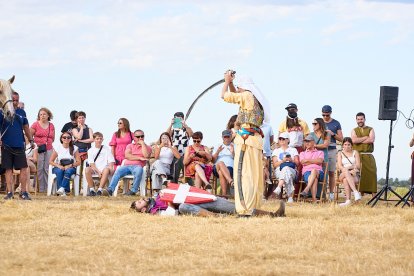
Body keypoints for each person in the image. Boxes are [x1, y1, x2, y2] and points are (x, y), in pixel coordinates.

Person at [221, 70, 271, 216]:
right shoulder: (253, 98)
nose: (237, 89)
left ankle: (245, 208)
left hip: (246, 142)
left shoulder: (247, 95)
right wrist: (230, 83)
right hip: (254, 140)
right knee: (252, 174)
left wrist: (226, 81)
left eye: (238, 86)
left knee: (244, 174)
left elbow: (224, 96)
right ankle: (252, 206)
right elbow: (235, 96)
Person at [130, 189, 286, 218]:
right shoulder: (154, 211)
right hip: (190, 207)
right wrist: (170, 201)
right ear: (143, 210)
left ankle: (273, 215)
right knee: (183, 207)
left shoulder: (159, 195)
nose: (141, 199)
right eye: (138, 203)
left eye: (138, 199)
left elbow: (184, 190)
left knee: (235, 207)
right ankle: (216, 217)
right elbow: (172, 214)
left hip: (199, 201)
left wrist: (167, 192)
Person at [1, 87, 34, 200]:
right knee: (8, 169)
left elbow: (26, 127)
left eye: (16, 100)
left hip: (19, 144)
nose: (15, 102)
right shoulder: (2, 112)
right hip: (6, 145)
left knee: (23, 168)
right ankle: (10, 193)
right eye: (13, 100)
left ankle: (23, 192)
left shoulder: (22, 112)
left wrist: (31, 140)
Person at [105, 130, 152, 196]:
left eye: (142, 136)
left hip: (138, 166)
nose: (140, 138)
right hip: (127, 165)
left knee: (139, 170)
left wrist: (143, 144)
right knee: (118, 171)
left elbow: (146, 155)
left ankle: (133, 191)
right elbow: (127, 156)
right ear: (134, 137)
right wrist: (139, 158)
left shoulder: (148, 147)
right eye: (138, 137)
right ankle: (110, 190)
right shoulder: (130, 146)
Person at [351, 112, 377, 196]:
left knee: (372, 174)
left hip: (368, 155)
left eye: (361, 119)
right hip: (357, 155)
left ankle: (373, 195)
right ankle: (359, 195)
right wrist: (365, 137)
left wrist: (360, 140)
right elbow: (354, 140)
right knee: (359, 174)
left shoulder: (370, 129)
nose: (360, 121)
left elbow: (371, 140)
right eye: (358, 119)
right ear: (356, 120)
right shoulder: (354, 130)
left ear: (364, 119)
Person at [30, 107, 55, 192]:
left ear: (48, 115)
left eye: (44, 114)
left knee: (47, 168)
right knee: (40, 168)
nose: (42, 116)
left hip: (49, 148)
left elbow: (53, 138)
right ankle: (40, 189)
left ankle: (48, 188)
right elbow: (29, 136)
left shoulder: (51, 125)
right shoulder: (35, 124)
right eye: (40, 114)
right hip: (38, 149)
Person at [321, 105, 343, 203]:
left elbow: (341, 139)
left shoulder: (336, 123)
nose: (325, 117)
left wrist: (332, 133)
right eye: (323, 115)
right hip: (321, 150)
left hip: (332, 149)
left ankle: (331, 194)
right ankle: (321, 193)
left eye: (327, 115)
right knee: (321, 172)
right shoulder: (319, 122)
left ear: (330, 113)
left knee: (331, 172)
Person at [49, 132, 81, 196]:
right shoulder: (57, 147)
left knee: (68, 171)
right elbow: (50, 161)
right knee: (60, 171)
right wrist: (58, 166)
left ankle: (62, 188)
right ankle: (64, 191)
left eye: (68, 137)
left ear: (71, 139)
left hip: (71, 166)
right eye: (64, 137)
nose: (66, 138)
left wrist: (70, 165)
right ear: (61, 139)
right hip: (59, 166)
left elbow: (79, 162)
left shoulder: (74, 148)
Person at [272, 132, 299, 203]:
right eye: (280, 139)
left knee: (287, 169)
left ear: (288, 140)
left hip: (292, 169)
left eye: (283, 139)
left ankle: (279, 187)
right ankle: (290, 197)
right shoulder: (276, 151)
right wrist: (282, 161)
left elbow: (297, 163)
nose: (281, 140)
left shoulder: (293, 150)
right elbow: (275, 165)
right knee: (286, 171)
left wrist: (291, 160)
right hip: (279, 170)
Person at [167, 112, 193, 183]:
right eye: (176, 118)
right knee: (175, 171)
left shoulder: (186, 130)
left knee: (187, 173)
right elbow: (166, 135)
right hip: (175, 155)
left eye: (180, 118)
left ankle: (190, 187)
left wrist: (185, 125)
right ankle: (173, 186)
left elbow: (191, 134)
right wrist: (171, 124)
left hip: (185, 155)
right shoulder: (172, 131)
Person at [299, 135, 325, 203]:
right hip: (307, 172)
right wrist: (314, 161)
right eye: (305, 142)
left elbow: (320, 161)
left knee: (314, 170)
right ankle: (314, 200)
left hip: (319, 172)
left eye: (308, 141)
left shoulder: (320, 152)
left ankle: (307, 189)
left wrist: (308, 161)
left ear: (313, 142)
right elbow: (303, 162)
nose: (307, 143)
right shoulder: (302, 153)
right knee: (314, 179)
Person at [337, 137, 362, 207]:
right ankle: (355, 192)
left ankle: (348, 201)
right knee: (345, 171)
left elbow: (358, 165)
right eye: (345, 144)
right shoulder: (340, 153)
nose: (347, 146)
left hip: (354, 174)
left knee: (346, 180)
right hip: (343, 173)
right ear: (343, 145)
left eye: (348, 144)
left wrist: (349, 168)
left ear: (351, 145)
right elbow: (340, 166)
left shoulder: (355, 152)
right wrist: (348, 169)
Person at [212, 130, 235, 196]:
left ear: (231, 137)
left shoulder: (234, 146)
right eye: (225, 137)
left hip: (230, 168)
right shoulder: (218, 146)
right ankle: (230, 181)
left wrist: (233, 153)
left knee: (221, 172)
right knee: (220, 163)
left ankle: (224, 196)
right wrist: (217, 152)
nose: (227, 139)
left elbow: (237, 160)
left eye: (228, 137)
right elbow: (213, 161)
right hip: (216, 167)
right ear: (222, 137)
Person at [261, 122, 274, 187]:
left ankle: (264, 193)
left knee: (265, 172)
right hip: (254, 154)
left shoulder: (268, 126)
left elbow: (271, 139)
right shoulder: (250, 126)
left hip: (266, 153)